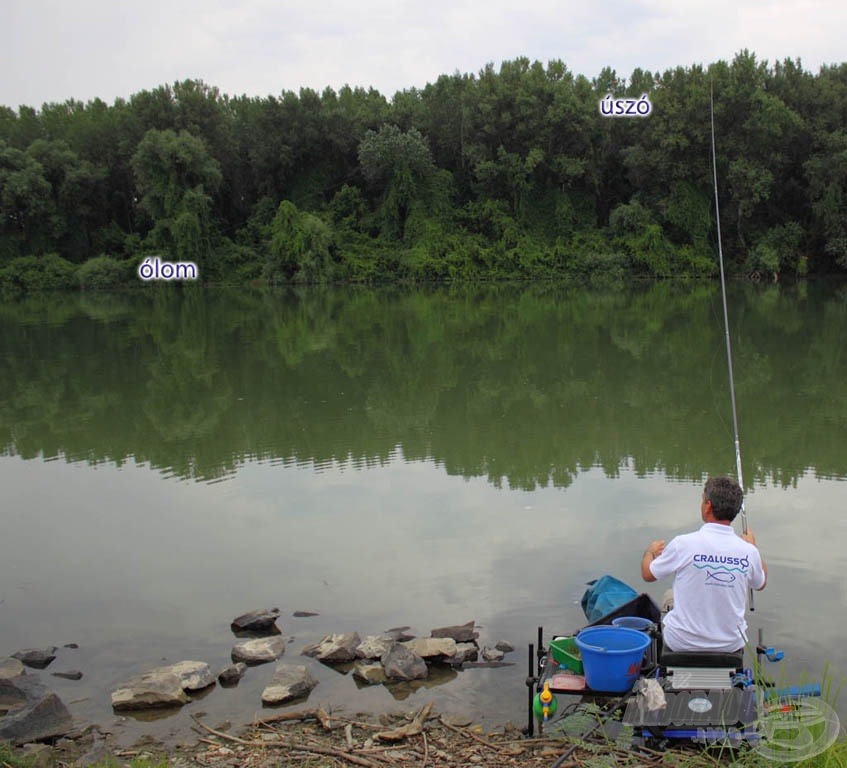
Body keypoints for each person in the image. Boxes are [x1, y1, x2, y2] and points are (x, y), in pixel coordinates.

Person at [641, 476, 767, 653]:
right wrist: (753, 547)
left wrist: (650, 552)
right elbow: (760, 583)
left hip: (681, 643)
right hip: (729, 645)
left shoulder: (683, 544)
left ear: (707, 506)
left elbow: (647, 574)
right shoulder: (749, 551)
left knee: (669, 596)